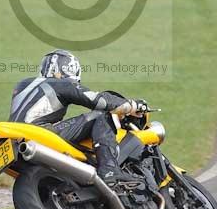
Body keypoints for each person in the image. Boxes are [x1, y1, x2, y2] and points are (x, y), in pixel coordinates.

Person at [8, 48, 146, 187]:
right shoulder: (60, 83)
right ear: (68, 68)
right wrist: (131, 105)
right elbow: (98, 101)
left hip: (15, 136)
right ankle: (109, 170)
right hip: (39, 132)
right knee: (100, 114)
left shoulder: (23, 84)